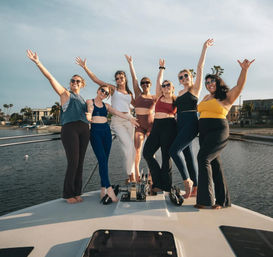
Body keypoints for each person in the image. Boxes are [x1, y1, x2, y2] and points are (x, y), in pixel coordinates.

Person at [26, 50, 90, 204]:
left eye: (77, 81)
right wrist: (38, 62)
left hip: (84, 129)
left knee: (80, 162)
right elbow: (50, 78)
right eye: (72, 81)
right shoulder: (65, 94)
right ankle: (68, 194)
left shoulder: (83, 99)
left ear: (82, 84)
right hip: (70, 129)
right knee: (73, 161)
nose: (74, 83)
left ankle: (77, 192)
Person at [195, 58, 255, 209]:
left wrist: (244, 70)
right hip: (204, 133)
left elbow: (239, 86)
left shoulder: (227, 96)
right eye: (207, 82)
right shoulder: (206, 97)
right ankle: (222, 201)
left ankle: (205, 200)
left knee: (202, 158)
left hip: (218, 131)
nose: (209, 84)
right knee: (215, 164)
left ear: (218, 82)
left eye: (212, 81)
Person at [76, 57, 136, 183]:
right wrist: (85, 67)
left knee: (129, 150)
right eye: (117, 78)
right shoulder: (113, 89)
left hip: (129, 119)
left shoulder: (130, 93)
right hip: (118, 120)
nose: (119, 80)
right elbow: (96, 79)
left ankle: (130, 177)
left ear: (125, 78)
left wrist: (130, 64)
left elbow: (138, 104)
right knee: (129, 146)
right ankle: (131, 175)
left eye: (121, 77)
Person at [169, 39, 214, 198]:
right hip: (179, 123)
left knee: (174, 150)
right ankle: (195, 187)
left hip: (191, 122)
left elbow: (200, 67)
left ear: (190, 76)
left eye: (185, 75)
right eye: (180, 77)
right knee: (188, 156)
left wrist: (204, 48)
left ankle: (187, 180)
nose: (183, 79)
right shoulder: (179, 93)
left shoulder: (195, 89)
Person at [85, 85, 139, 203]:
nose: (103, 93)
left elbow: (117, 112)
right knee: (102, 159)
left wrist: (130, 119)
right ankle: (109, 188)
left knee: (104, 161)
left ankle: (102, 189)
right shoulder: (90, 101)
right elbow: (89, 109)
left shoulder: (106, 106)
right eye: (102, 90)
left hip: (106, 132)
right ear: (98, 90)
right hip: (95, 133)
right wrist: (89, 115)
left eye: (106, 93)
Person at [143, 59, 177, 192]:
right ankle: (158, 182)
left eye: (168, 85)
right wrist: (161, 68)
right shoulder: (159, 97)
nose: (165, 87)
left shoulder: (176, 100)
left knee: (166, 157)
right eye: (164, 86)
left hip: (169, 127)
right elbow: (158, 81)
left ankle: (165, 186)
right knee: (147, 153)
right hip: (157, 126)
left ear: (173, 88)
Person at [125, 55, 157, 182]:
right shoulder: (138, 93)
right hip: (139, 126)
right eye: (143, 83)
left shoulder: (154, 97)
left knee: (151, 152)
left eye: (147, 83)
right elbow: (134, 78)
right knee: (137, 150)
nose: (144, 84)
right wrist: (131, 63)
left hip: (151, 126)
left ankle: (151, 174)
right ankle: (137, 173)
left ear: (150, 84)